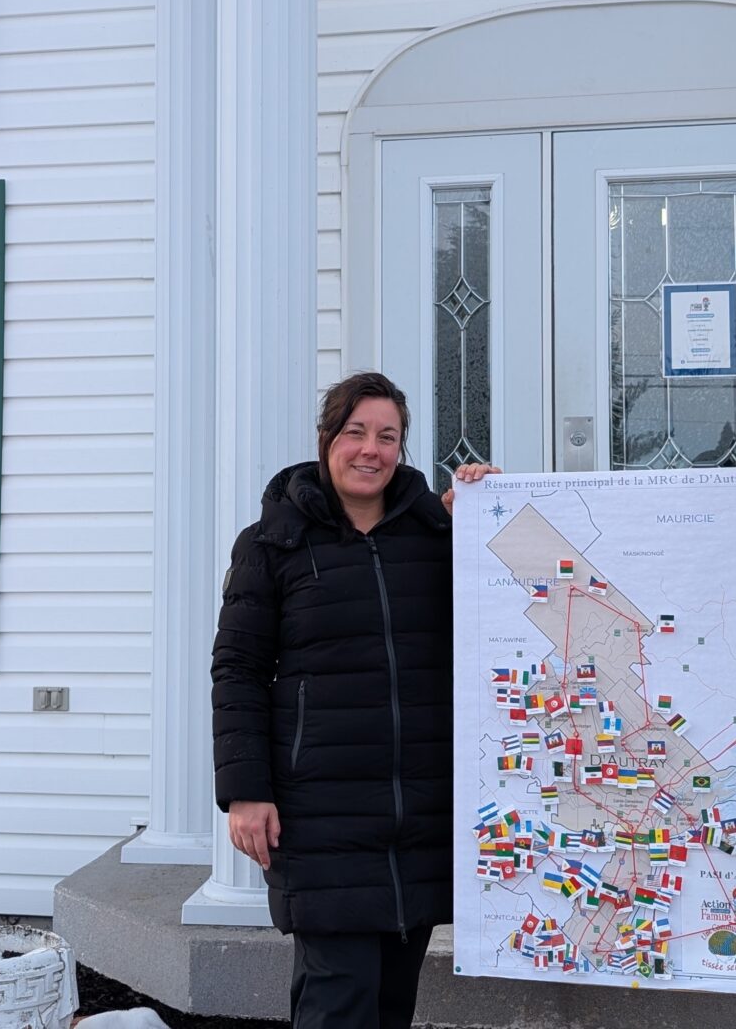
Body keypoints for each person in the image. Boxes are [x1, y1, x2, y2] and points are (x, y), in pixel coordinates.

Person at [210, 371, 495, 1029]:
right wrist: (246, 790)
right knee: (338, 1002)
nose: (372, 449)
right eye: (356, 432)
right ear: (326, 439)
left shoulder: (437, 537)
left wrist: (488, 512)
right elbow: (239, 670)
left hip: (419, 813)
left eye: (388, 436)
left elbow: (507, 617)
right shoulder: (272, 544)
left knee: (393, 1004)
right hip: (321, 814)